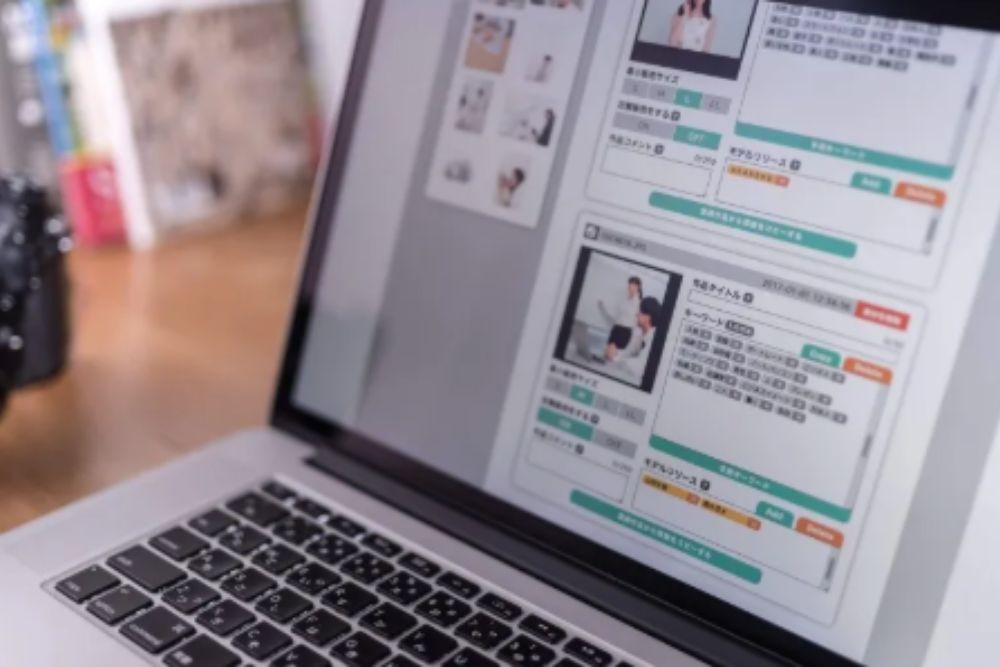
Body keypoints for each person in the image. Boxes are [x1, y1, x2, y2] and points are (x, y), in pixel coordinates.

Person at [611, 296, 662, 382]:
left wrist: (618, 359)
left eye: (640, 312)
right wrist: (614, 353)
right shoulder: (640, 335)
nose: (636, 314)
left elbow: (639, 367)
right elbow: (628, 353)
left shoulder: (655, 339)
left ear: (648, 317)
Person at [600, 276, 642, 360]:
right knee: (607, 349)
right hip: (617, 327)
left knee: (611, 350)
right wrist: (603, 307)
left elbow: (637, 321)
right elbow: (616, 313)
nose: (630, 287)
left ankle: (610, 357)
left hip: (625, 330)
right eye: (630, 285)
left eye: (633, 286)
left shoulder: (639, 303)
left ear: (638, 287)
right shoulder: (624, 299)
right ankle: (607, 357)